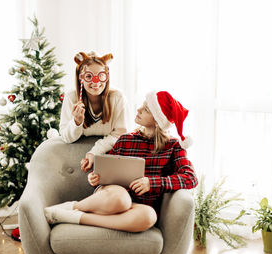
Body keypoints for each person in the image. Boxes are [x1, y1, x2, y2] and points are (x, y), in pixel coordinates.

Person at [45, 91, 198, 232]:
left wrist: (152, 183)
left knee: (149, 216)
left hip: (136, 206)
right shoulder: (126, 139)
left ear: (157, 120)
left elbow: (190, 177)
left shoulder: (173, 147)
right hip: (111, 195)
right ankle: (73, 207)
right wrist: (96, 177)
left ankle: (77, 217)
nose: (138, 110)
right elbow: (106, 168)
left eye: (146, 109)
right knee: (121, 199)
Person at [59, 51, 128, 172]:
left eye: (101, 76)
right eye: (89, 76)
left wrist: (95, 152)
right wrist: (76, 122)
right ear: (81, 78)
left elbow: (120, 135)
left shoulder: (117, 98)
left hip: (108, 157)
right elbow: (66, 137)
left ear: (107, 77)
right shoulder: (71, 97)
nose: (96, 82)